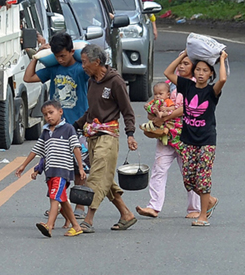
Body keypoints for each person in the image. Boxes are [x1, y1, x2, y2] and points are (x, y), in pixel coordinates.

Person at [24, 32, 90, 218]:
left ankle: (79, 207)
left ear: (71, 51)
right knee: (56, 168)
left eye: (63, 55)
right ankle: (59, 204)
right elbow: (28, 78)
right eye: (57, 56)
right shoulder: (53, 70)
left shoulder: (80, 69)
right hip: (56, 129)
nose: (60, 60)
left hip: (77, 126)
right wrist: (36, 57)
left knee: (80, 167)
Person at [74, 44, 138, 233]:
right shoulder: (91, 81)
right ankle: (126, 214)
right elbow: (90, 111)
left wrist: (130, 134)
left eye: (85, 62)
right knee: (106, 178)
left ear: (97, 62)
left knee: (97, 176)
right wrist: (74, 126)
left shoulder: (115, 81)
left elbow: (127, 110)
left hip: (108, 136)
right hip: (92, 135)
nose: (83, 66)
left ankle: (89, 219)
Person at [164, 49, 228, 226]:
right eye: (198, 69)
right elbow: (168, 73)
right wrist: (182, 57)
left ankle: (203, 216)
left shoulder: (211, 91)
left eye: (205, 71)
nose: (200, 73)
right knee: (189, 180)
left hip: (206, 141)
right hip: (188, 140)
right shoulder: (187, 86)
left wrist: (221, 59)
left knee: (203, 178)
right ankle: (211, 200)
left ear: (210, 75)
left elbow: (223, 79)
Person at [136, 66, 201, 219]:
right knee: (159, 169)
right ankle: (154, 206)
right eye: (180, 63)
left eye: (186, 63)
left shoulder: (195, 85)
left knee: (188, 171)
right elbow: (155, 104)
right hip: (167, 136)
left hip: (186, 135)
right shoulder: (169, 84)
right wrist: (153, 115)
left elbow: (187, 108)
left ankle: (195, 208)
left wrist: (164, 118)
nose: (182, 66)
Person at [16, 100, 85, 238]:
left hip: (62, 171)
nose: (48, 116)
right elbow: (38, 150)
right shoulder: (46, 131)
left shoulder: (68, 129)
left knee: (54, 198)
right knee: (62, 199)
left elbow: (76, 148)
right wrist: (25, 166)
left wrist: (81, 167)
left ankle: (49, 225)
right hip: (50, 172)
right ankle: (76, 226)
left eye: (51, 113)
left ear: (60, 112)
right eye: (45, 114)